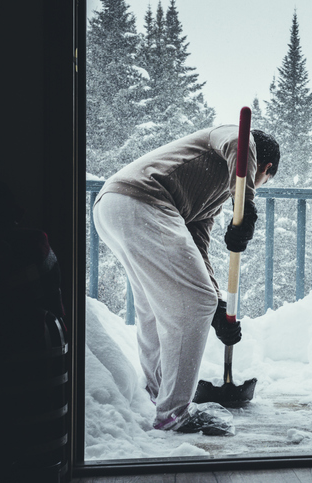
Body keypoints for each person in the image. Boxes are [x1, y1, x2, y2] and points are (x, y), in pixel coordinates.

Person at [92, 125, 280, 434]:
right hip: (141, 201)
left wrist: (219, 308)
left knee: (155, 306)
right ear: (266, 168)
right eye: (263, 181)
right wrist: (246, 206)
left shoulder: (209, 197)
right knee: (196, 303)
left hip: (116, 206)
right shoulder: (233, 136)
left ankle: (158, 395)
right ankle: (173, 412)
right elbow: (240, 143)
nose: (257, 185)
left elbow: (196, 251)